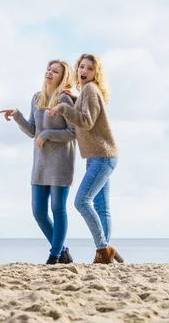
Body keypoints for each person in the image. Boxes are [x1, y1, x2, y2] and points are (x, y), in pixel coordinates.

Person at [45, 53, 123, 264]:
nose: (83, 71)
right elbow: (89, 112)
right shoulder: (88, 92)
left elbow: (86, 121)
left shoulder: (90, 89)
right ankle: (104, 252)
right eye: (81, 67)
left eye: (89, 68)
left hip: (102, 157)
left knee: (81, 202)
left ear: (95, 73)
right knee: (102, 207)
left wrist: (62, 107)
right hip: (101, 156)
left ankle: (103, 250)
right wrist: (74, 99)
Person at [0, 60, 77, 264]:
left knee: (58, 209)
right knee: (39, 212)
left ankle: (54, 256)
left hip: (61, 162)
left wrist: (49, 134)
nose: (49, 73)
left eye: (55, 71)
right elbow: (33, 131)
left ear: (63, 76)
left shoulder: (64, 100)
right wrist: (17, 116)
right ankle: (62, 250)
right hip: (40, 163)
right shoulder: (36, 98)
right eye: (48, 69)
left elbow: (73, 132)